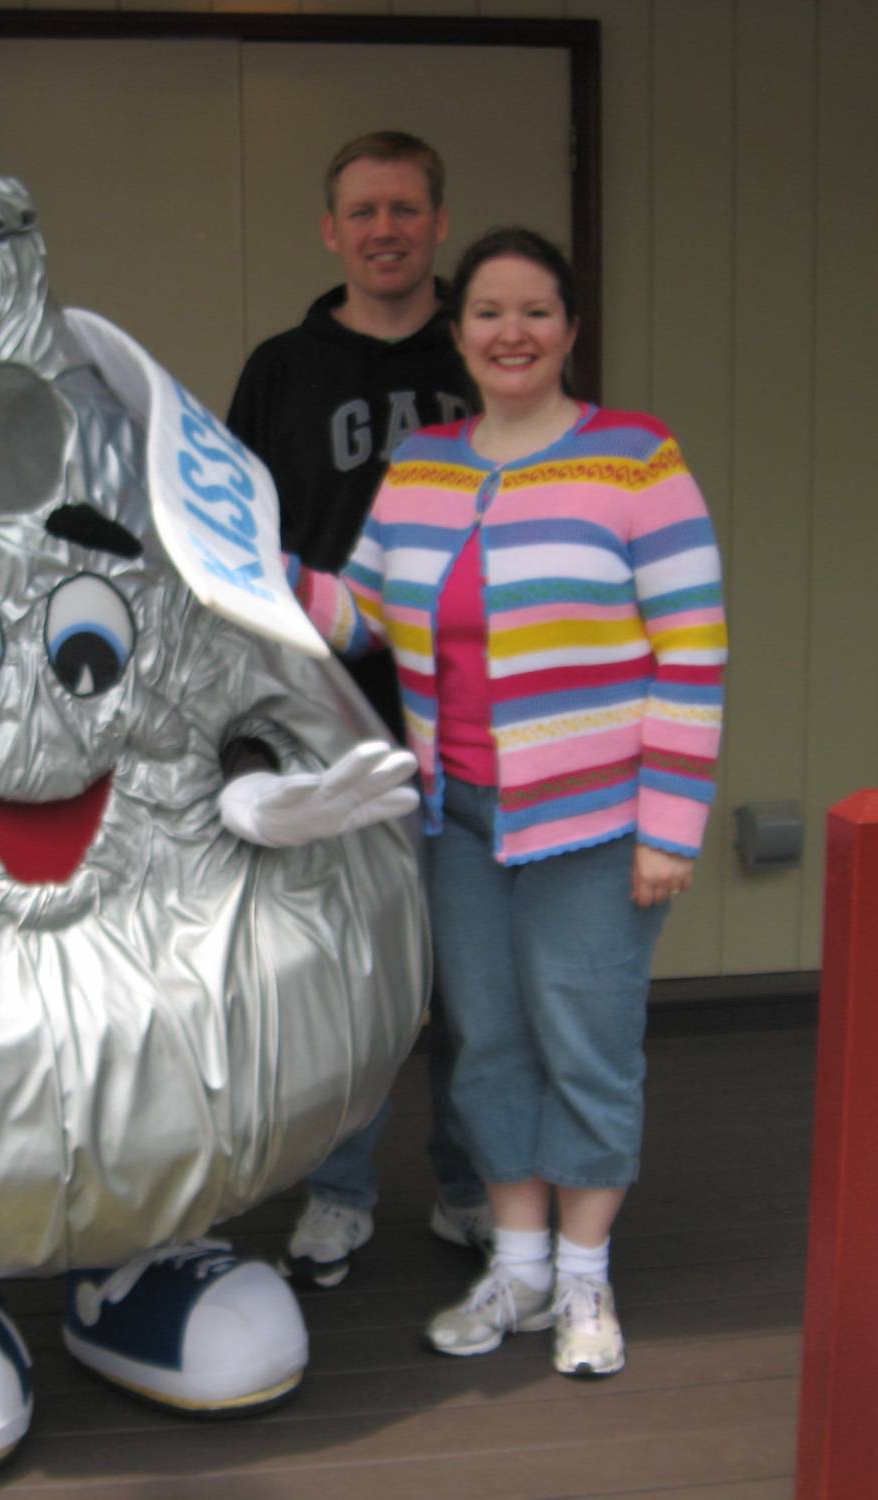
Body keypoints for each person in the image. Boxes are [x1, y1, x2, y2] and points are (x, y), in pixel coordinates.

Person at [289, 226, 726, 1377]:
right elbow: (359, 617)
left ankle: (584, 1285)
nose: (510, 333)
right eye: (488, 312)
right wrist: (246, 565)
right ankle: (518, 1269)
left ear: (569, 332)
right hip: (462, 817)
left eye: (535, 312)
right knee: (483, 1047)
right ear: (459, 331)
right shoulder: (424, 466)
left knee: (584, 1048)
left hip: (598, 823)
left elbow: (691, 647)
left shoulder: (634, 458)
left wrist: (667, 826)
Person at [226, 130, 488, 1289]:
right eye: (362, 211)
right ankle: (337, 1191)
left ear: (437, 221)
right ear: (330, 231)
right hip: (329, 711)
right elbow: (235, 548)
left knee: (470, 970)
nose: (385, 228)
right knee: (348, 971)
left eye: (404, 207)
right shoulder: (279, 369)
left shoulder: (487, 351)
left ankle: (470, 1183)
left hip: (477, 709)